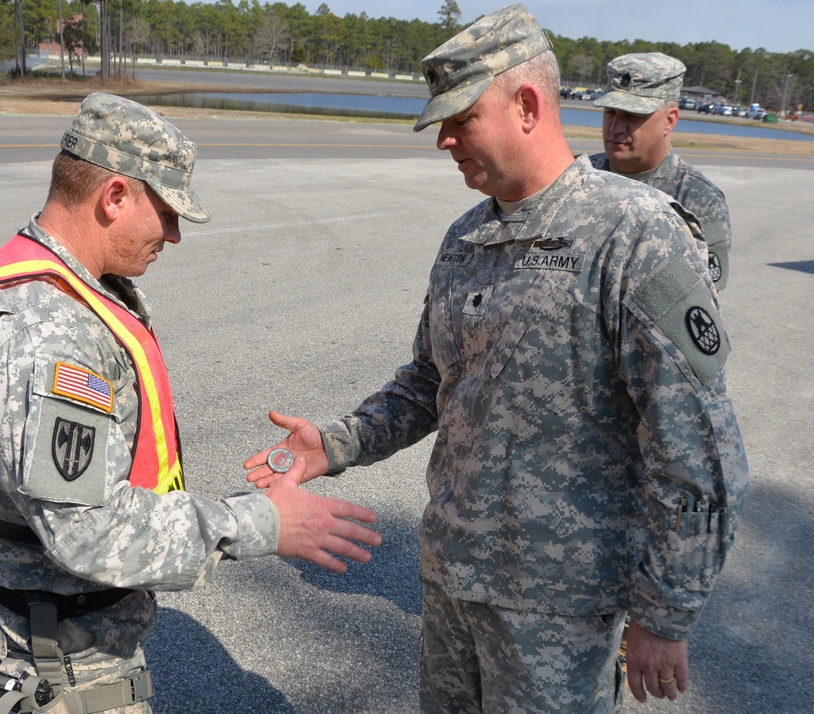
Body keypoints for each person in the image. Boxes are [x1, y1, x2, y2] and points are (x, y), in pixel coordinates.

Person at [244, 5, 748, 712]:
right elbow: (429, 382)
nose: (444, 138)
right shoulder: (466, 236)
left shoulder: (634, 234)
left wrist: (666, 614)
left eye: (460, 118)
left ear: (528, 105)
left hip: (559, 608)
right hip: (453, 581)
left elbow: (697, 448)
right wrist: (332, 444)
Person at [0, 92, 381, 714]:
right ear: (114, 196)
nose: (172, 234)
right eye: (166, 212)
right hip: (61, 661)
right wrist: (260, 523)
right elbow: (89, 529)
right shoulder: (40, 334)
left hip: (67, 635)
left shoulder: (69, 290)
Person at [590, 52, 732, 291]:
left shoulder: (698, 200)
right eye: (610, 112)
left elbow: (703, 292)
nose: (615, 127)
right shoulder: (580, 177)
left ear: (669, 120)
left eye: (633, 116)